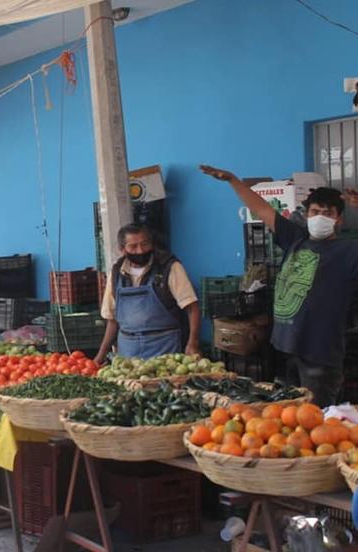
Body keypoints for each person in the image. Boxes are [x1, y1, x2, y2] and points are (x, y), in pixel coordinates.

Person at [201, 165, 358, 406]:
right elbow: (262, 209)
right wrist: (234, 180)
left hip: (320, 353)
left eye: (328, 213)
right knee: (288, 415)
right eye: (315, 212)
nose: (321, 218)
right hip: (285, 347)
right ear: (306, 216)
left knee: (317, 419)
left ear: (339, 220)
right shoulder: (295, 239)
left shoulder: (348, 251)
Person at [94, 223, 201, 364]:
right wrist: (100, 356)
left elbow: (192, 308)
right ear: (123, 250)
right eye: (133, 247)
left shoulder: (169, 267)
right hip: (128, 354)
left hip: (165, 350)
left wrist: (193, 343)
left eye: (144, 244)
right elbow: (112, 320)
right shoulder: (116, 274)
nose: (140, 251)